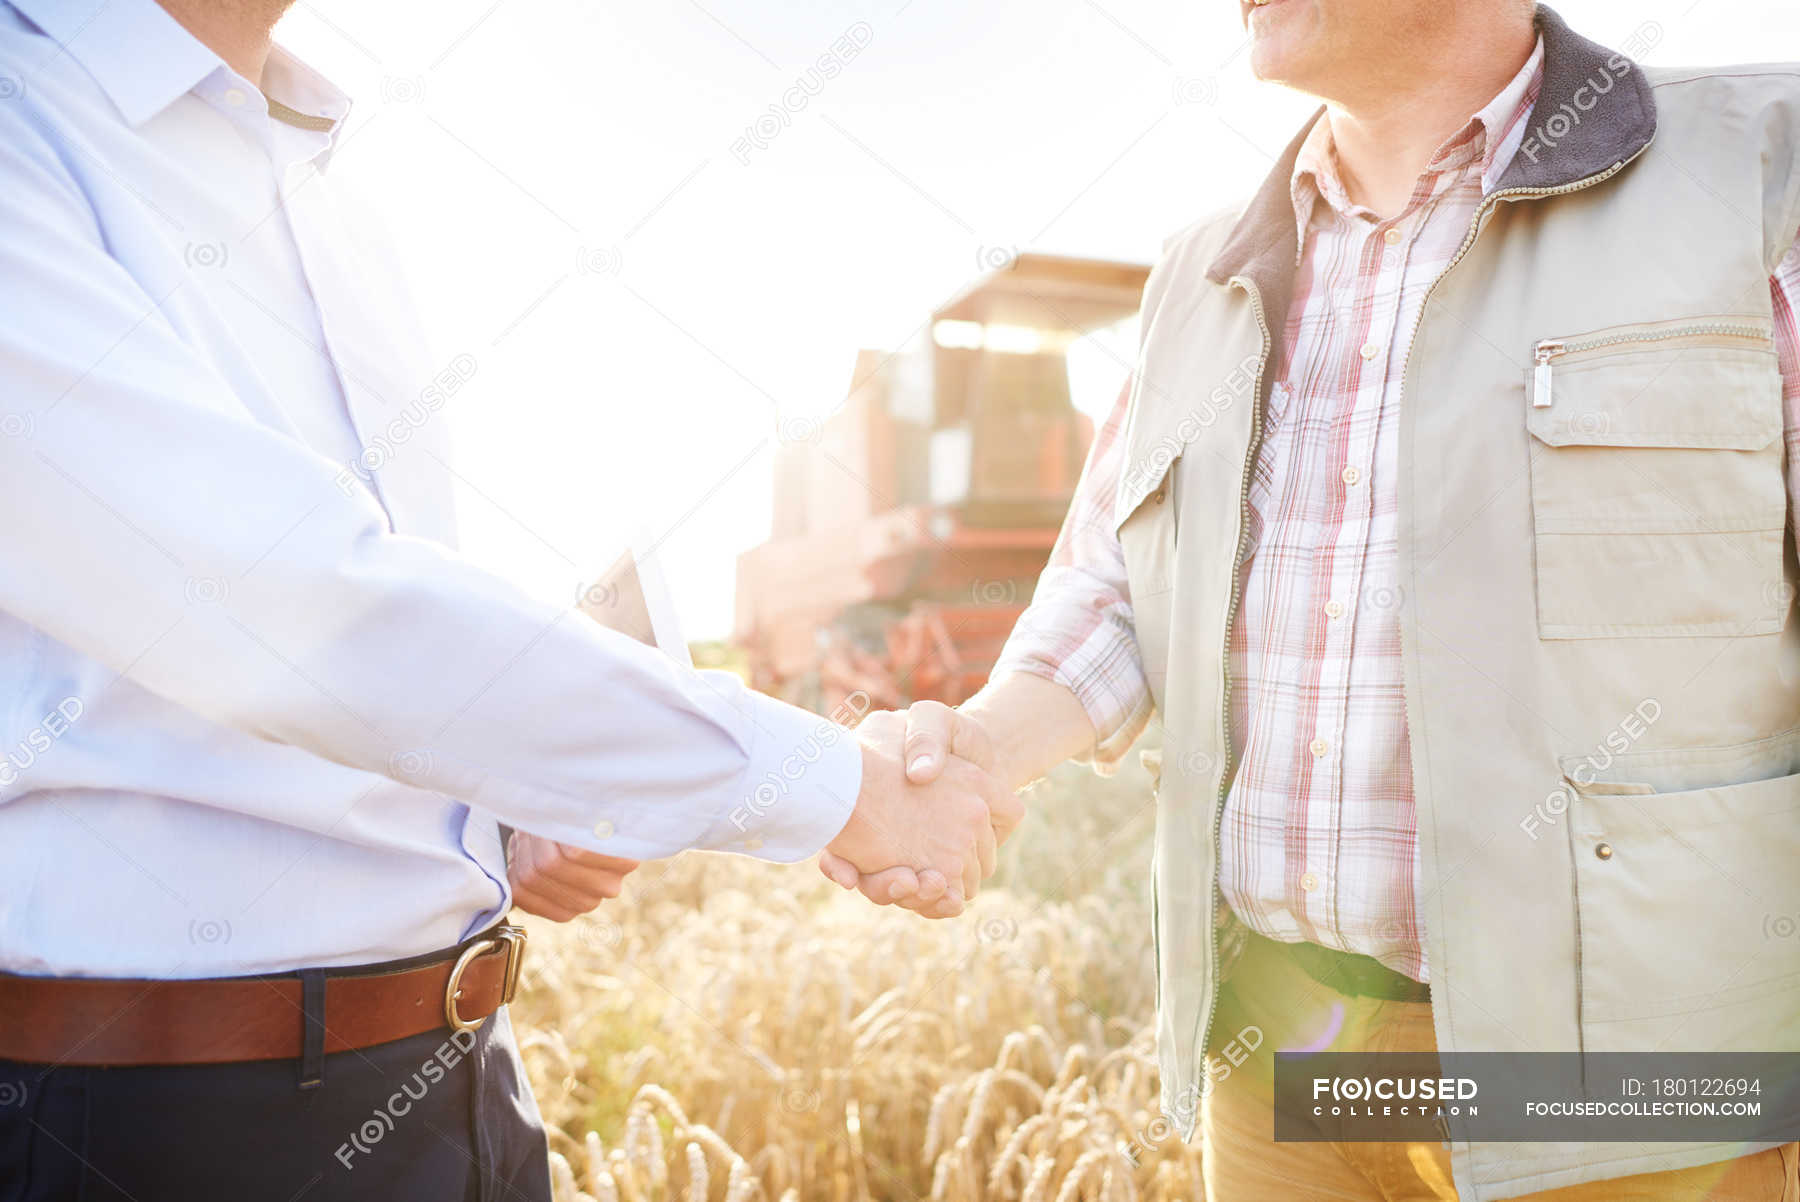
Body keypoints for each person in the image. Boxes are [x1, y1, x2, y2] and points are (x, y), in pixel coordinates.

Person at [0, 0, 1019, 1197]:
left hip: (461, 1076)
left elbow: (393, 613)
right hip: (155, 1123)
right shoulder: (30, 127)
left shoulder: (327, 181)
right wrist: (835, 786)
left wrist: (502, 809)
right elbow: (289, 602)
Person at [830, 2, 1800, 1198]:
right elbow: (1125, 594)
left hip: (1627, 1089)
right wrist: (969, 747)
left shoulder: (1759, 169)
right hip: (1291, 1058)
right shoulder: (1203, 270)